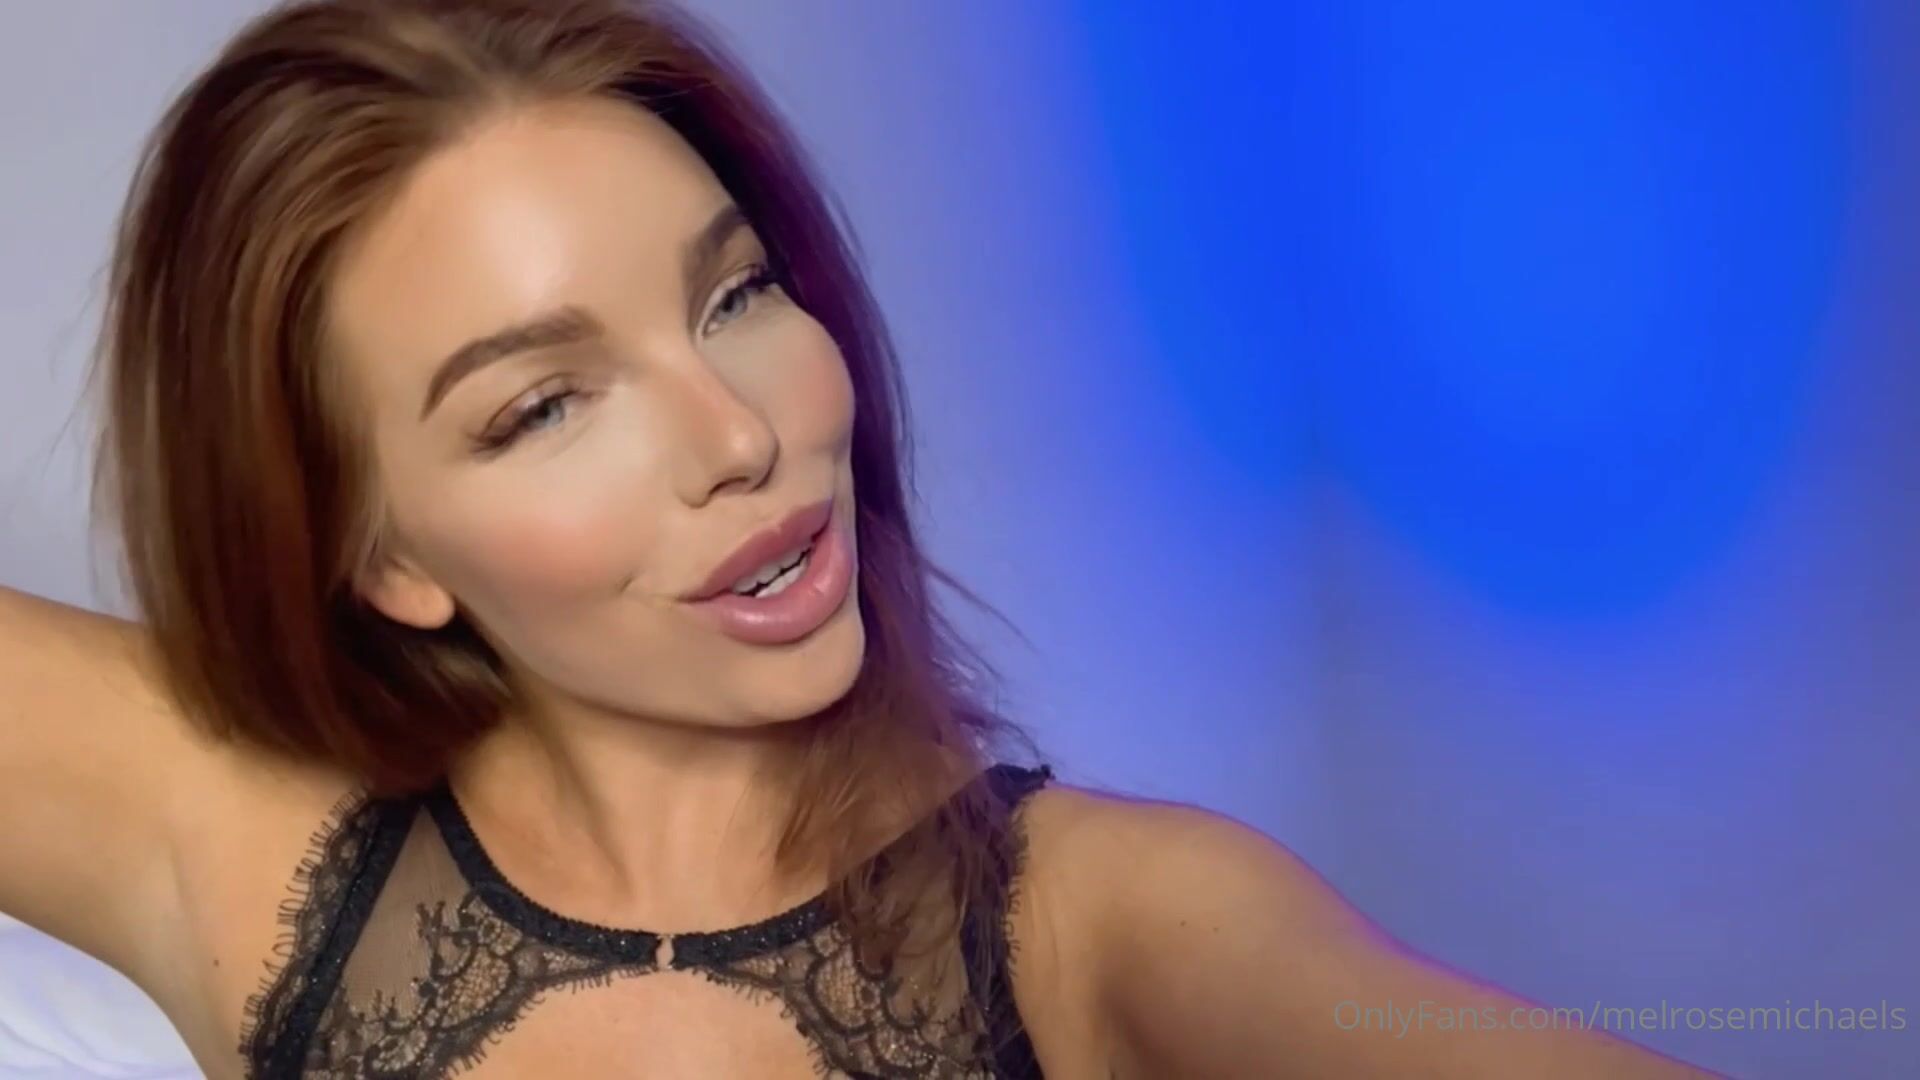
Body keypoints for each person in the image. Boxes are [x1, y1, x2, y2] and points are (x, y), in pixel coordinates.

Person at [0, 1, 1718, 1076]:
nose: (741, 437)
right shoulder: (229, 836)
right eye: (545, 406)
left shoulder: (1098, 926)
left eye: (736, 296)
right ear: (383, 557)